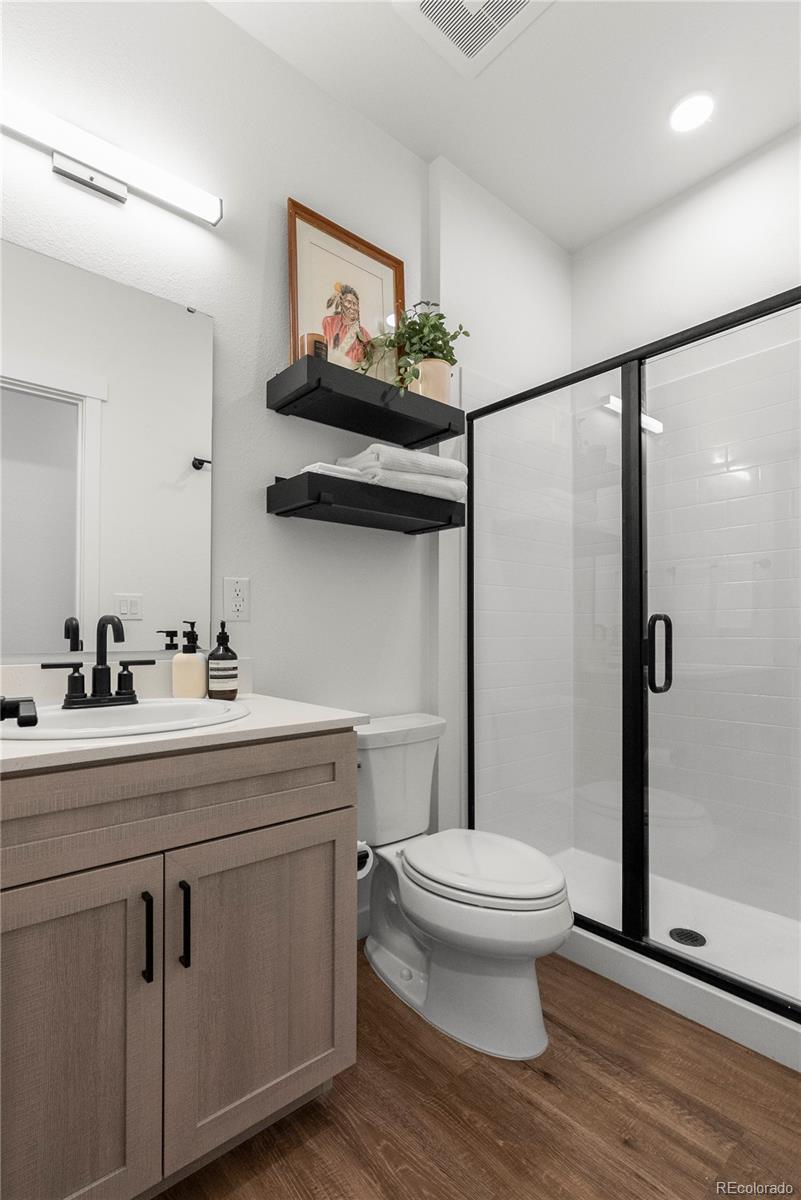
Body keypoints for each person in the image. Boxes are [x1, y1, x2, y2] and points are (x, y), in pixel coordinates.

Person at [323, 282, 371, 365]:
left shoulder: (364, 334)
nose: (352, 307)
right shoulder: (329, 322)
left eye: (355, 304)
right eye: (348, 302)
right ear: (341, 303)